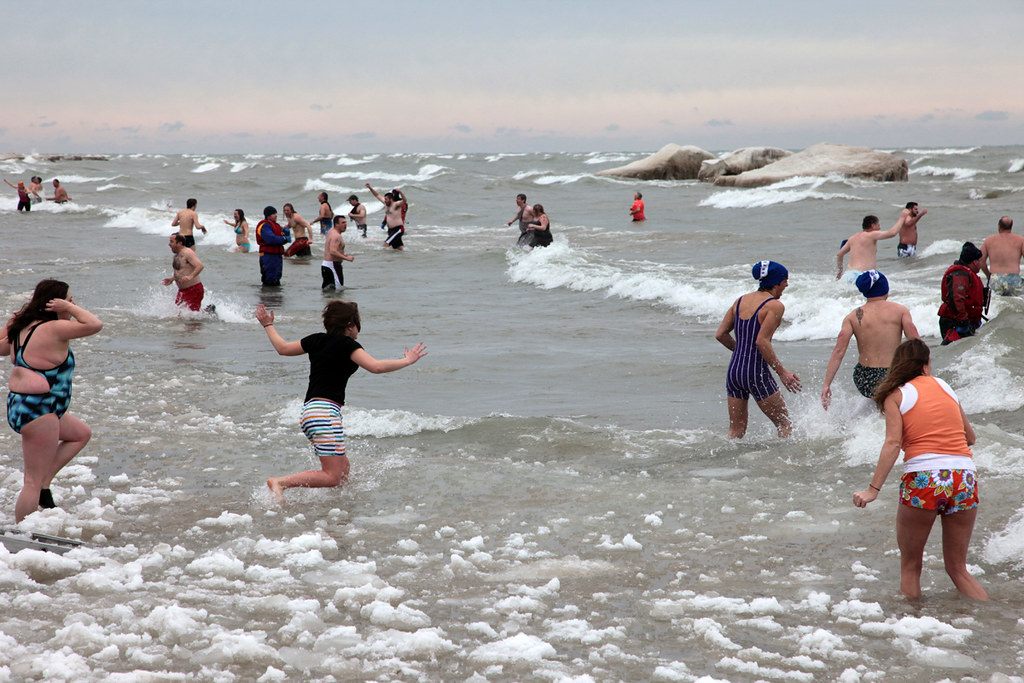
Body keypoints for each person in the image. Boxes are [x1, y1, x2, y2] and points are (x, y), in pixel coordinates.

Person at [853, 339, 988, 601]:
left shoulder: (896, 395)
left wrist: (873, 490)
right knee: (958, 569)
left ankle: (911, 625)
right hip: (963, 477)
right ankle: (986, 619)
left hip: (924, 479)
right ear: (925, 366)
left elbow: (892, 443)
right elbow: (970, 437)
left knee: (911, 567)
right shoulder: (946, 387)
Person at [254, 300, 427, 503]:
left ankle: (337, 505)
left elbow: (282, 348)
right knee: (332, 475)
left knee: (343, 467)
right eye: (357, 326)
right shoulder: (348, 345)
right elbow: (376, 367)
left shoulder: (316, 340)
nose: (357, 331)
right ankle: (280, 483)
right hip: (324, 413)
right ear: (350, 326)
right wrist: (407, 360)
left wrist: (268, 325)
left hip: (310, 411)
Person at [0, 280, 103, 522]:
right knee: (31, 481)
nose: (73, 304)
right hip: (38, 412)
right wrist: (71, 309)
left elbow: (2, 348)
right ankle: (23, 531)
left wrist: (12, 323)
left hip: (28, 407)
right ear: (54, 304)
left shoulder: (24, 328)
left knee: (80, 434)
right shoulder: (54, 328)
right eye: (69, 299)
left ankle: (46, 482)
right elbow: (95, 324)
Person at [715, 261, 802, 438]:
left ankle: (729, 465)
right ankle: (784, 465)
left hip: (734, 373)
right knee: (784, 424)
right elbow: (762, 342)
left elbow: (720, 334)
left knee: (736, 431)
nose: (787, 284)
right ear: (776, 282)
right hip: (756, 373)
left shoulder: (740, 301)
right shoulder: (775, 306)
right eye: (785, 280)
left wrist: (741, 353)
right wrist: (782, 372)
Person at [821, 270, 920, 409]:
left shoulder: (852, 316)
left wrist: (827, 384)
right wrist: (925, 375)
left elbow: (839, 350)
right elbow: (916, 344)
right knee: (894, 402)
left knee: (879, 400)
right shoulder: (900, 310)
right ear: (885, 288)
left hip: (864, 378)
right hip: (892, 375)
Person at [836, 210, 908, 282]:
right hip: (862, 276)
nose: (880, 228)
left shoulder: (852, 238)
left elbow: (839, 254)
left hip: (848, 275)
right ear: (873, 226)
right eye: (878, 225)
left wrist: (840, 272)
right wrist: (902, 217)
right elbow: (892, 233)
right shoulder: (871, 235)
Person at [938, 242, 985, 345]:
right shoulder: (960, 275)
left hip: (965, 322)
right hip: (955, 324)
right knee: (952, 352)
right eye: (980, 261)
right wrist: (963, 321)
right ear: (974, 262)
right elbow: (957, 298)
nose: (981, 264)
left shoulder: (966, 273)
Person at [980, 216, 1024, 296]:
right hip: (1014, 279)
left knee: (994, 304)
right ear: (1011, 227)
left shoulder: (989, 241)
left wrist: (988, 275)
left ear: (999, 226)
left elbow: (981, 261)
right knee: (1017, 305)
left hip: (995, 278)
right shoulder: (1021, 240)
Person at [162, 233, 205, 311]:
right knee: (179, 315)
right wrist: (173, 278)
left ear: (179, 243)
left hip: (193, 289)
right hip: (183, 291)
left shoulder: (187, 252)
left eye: (172, 242)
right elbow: (183, 270)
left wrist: (190, 277)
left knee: (191, 319)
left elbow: (200, 265)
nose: (169, 244)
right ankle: (208, 312)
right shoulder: (178, 254)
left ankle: (209, 314)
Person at [256, 206, 291, 286]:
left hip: (276, 256)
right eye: (273, 214)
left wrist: (285, 234)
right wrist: (285, 239)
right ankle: (267, 296)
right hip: (268, 256)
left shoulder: (276, 225)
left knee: (276, 279)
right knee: (269, 279)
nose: (276, 215)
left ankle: (275, 297)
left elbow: (281, 236)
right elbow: (271, 239)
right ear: (268, 215)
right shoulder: (265, 225)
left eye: (276, 213)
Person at [367, 183, 407, 250]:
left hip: (398, 229)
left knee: (385, 245)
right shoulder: (386, 204)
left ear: (391, 199)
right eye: (384, 199)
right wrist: (370, 188)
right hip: (390, 230)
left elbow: (405, 200)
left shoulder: (396, 205)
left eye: (386, 199)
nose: (384, 201)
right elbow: (377, 195)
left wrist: (400, 192)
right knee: (398, 248)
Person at [322, 216, 355, 289]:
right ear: (336, 224)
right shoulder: (336, 236)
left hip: (326, 265)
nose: (345, 225)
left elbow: (331, 249)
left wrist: (342, 255)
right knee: (338, 290)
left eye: (346, 222)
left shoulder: (331, 231)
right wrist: (346, 258)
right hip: (332, 266)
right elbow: (332, 251)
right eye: (343, 223)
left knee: (327, 290)